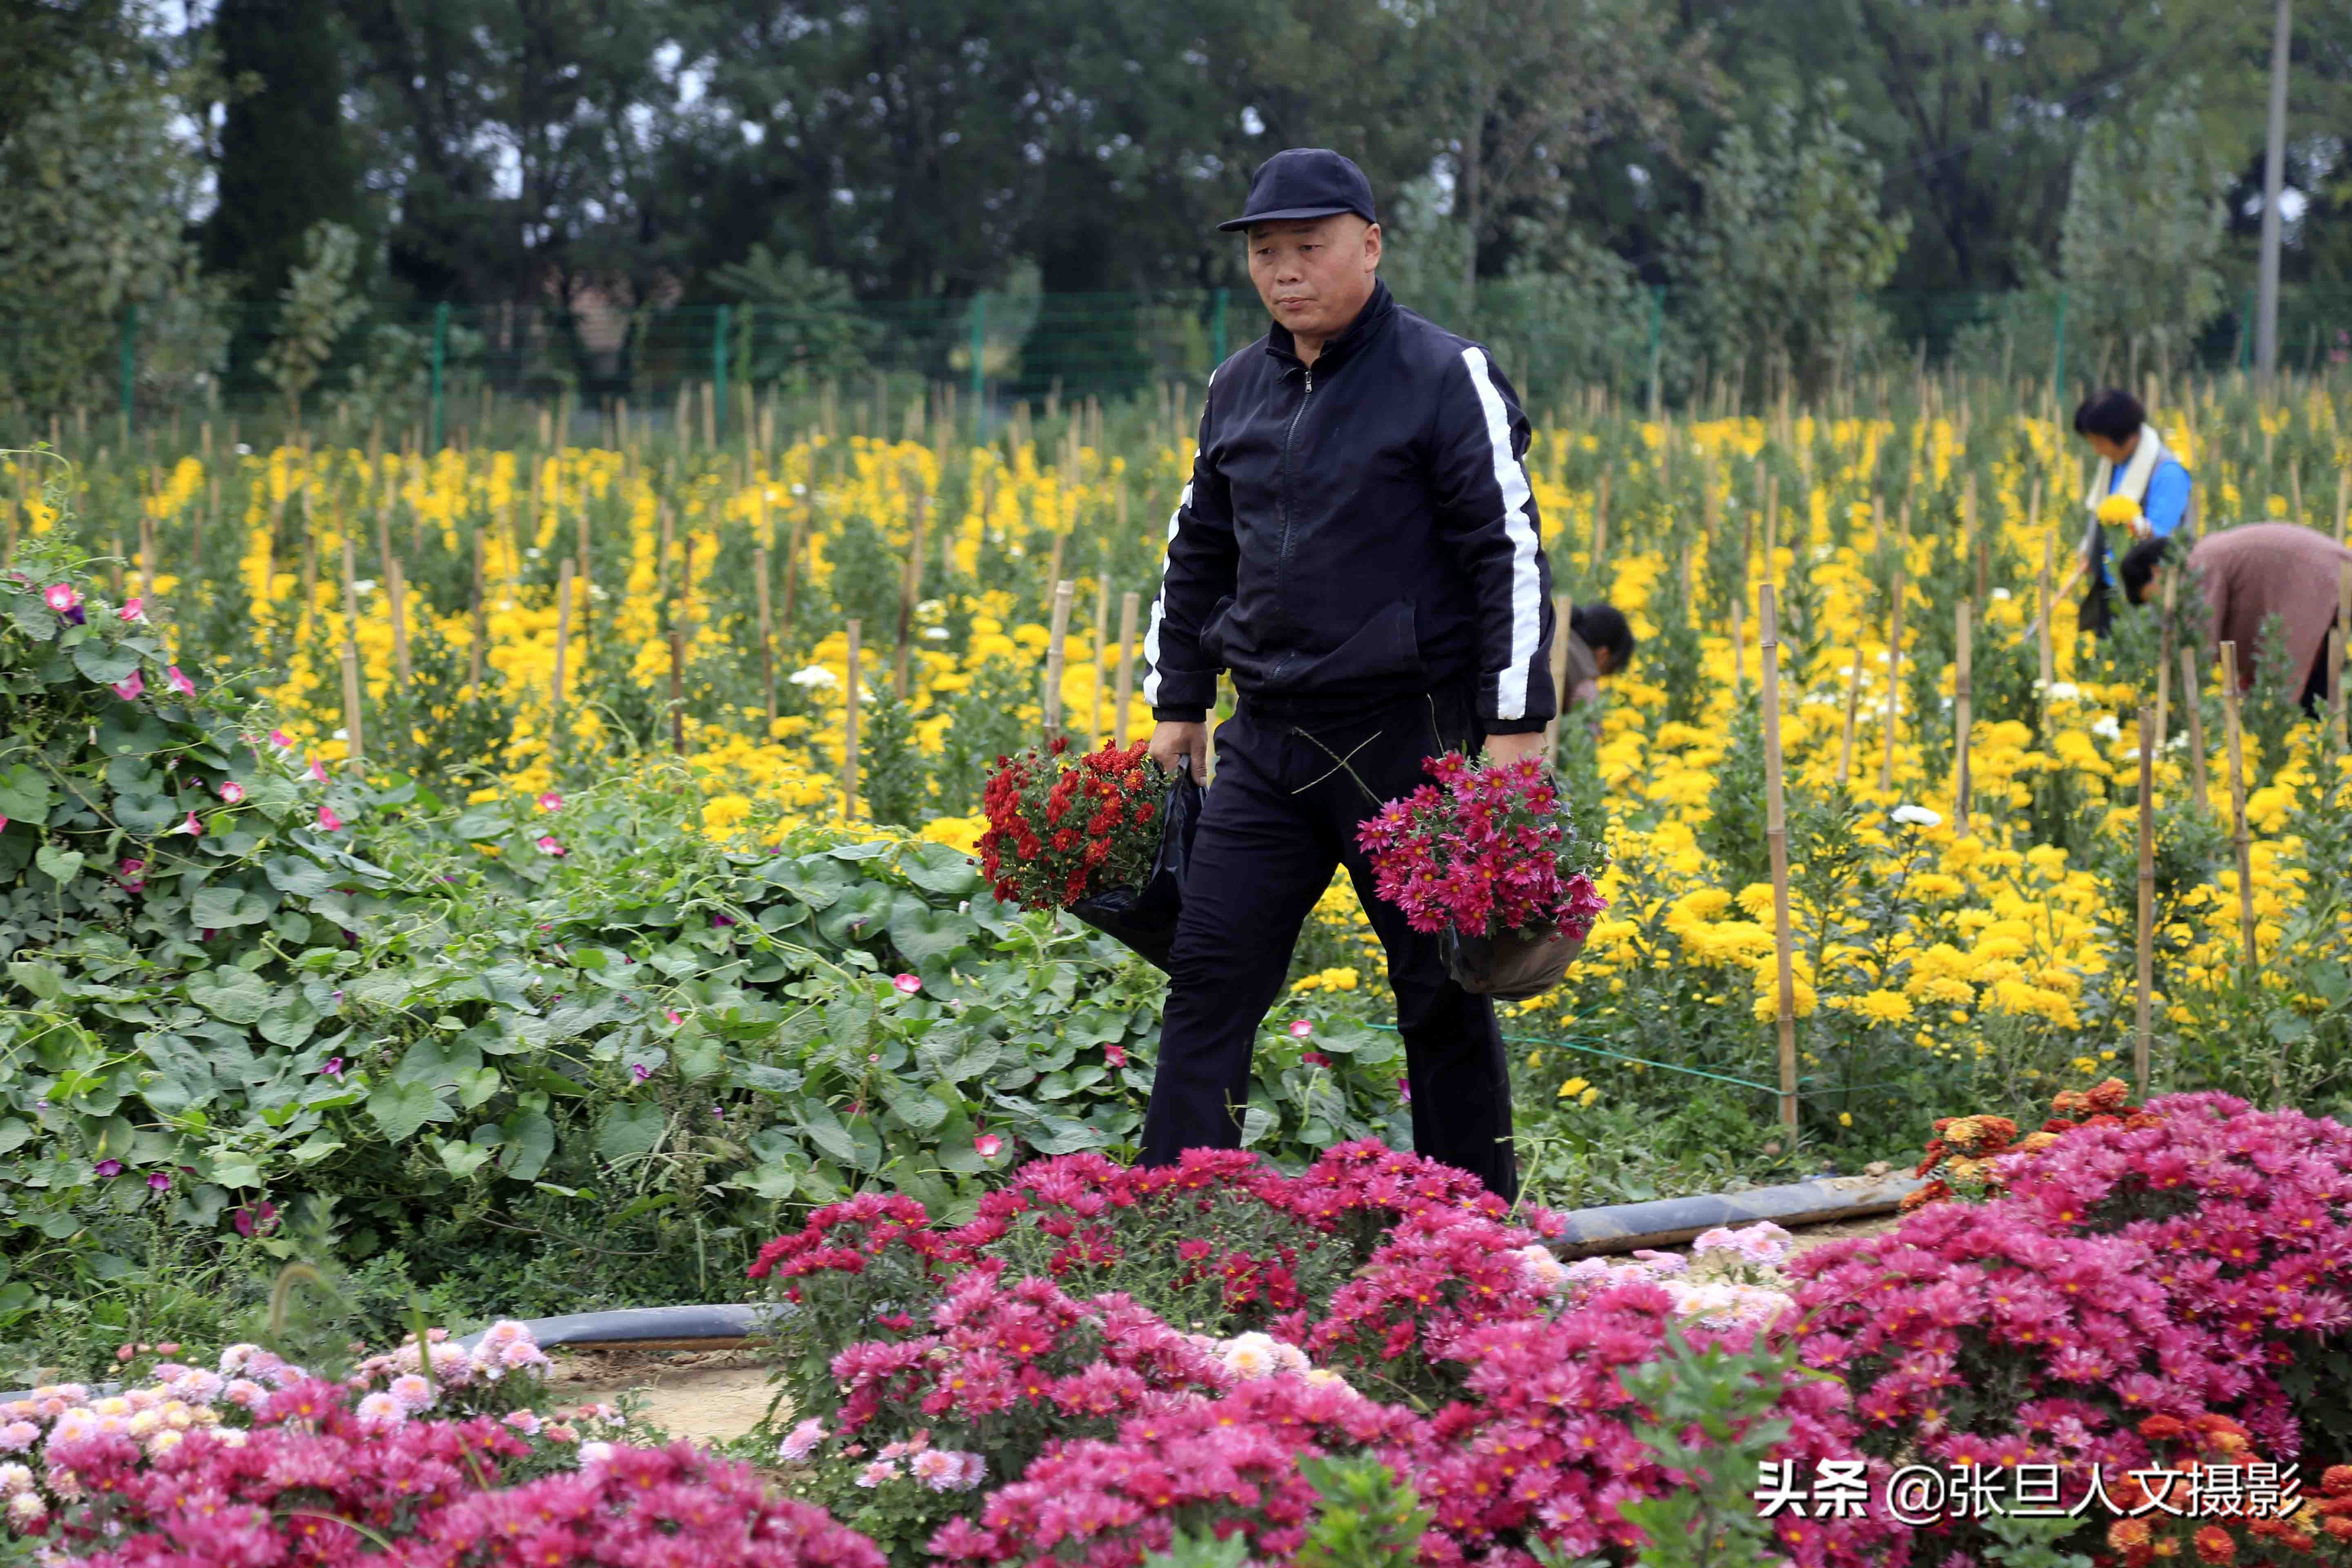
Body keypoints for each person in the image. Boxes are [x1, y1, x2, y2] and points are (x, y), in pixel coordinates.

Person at [1137, 147, 1555, 1200]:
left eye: (1307, 248)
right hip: (1268, 739)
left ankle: (1470, 1227)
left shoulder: (1438, 373)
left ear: (1368, 244)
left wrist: (1511, 735)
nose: (1284, 272)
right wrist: (1178, 700)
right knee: (1208, 980)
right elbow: (1200, 549)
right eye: (1265, 253)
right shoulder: (1236, 384)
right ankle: (1176, 1227)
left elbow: (1504, 550)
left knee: (1440, 991)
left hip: (1405, 740)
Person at [2120, 525, 2352, 714]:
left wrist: (2181, 697)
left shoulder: (2198, 566)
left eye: (2152, 599)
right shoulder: (2206, 555)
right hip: (2330, 575)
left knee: (2299, 698)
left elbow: (2201, 640)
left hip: (2321, 581)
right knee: (2314, 691)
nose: (2159, 609)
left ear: (2157, 572)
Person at [2073, 388, 2194, 638]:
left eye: (2098, 441)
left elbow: (2160, 541)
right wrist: (2092, 550)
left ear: (2124, 437)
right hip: (2112, 592)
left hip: (2145, 601)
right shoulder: (2115, 466)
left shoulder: (2168, 474)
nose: (2096, 450)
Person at [1562, 602, 1636, 713]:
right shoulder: (1585, 689)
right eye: (1608, 672)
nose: (1598, 679)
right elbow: (1586, 728)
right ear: (1603, 656)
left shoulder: (1546, 637)